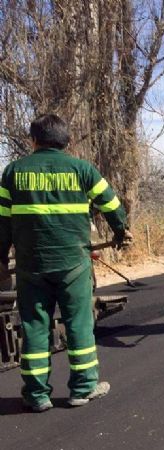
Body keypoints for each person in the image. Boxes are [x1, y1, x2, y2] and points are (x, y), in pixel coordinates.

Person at [0, 114, 133, 412]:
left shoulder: (13, 172)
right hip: (74, 264)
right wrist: (121, 231)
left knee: (34, 327)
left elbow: (2, 221)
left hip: (31, 266)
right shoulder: (82, 169)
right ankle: (83, 389)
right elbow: (111, 204)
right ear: (67, 142)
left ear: (33, 140)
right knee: (79, 324)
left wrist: (1, 256)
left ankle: (36, 395)